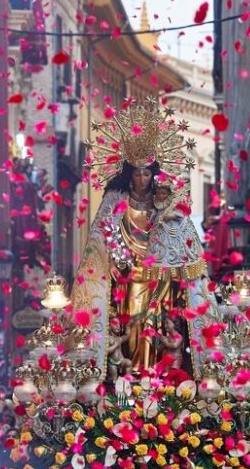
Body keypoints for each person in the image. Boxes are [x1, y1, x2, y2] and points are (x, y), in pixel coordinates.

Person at [71, 97, 213, 376]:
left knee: (158, 327)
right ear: (129, 174)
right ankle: (133, 376)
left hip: (161, 280)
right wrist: (111, 264)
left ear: (154, 175)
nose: (142, 179)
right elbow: (99, 241)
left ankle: (154, 378)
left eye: (147, 173)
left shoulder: (167, 206)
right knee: (134, 324)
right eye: (137, 173)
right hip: (128, 279)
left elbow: (187, 247)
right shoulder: (115, 202)